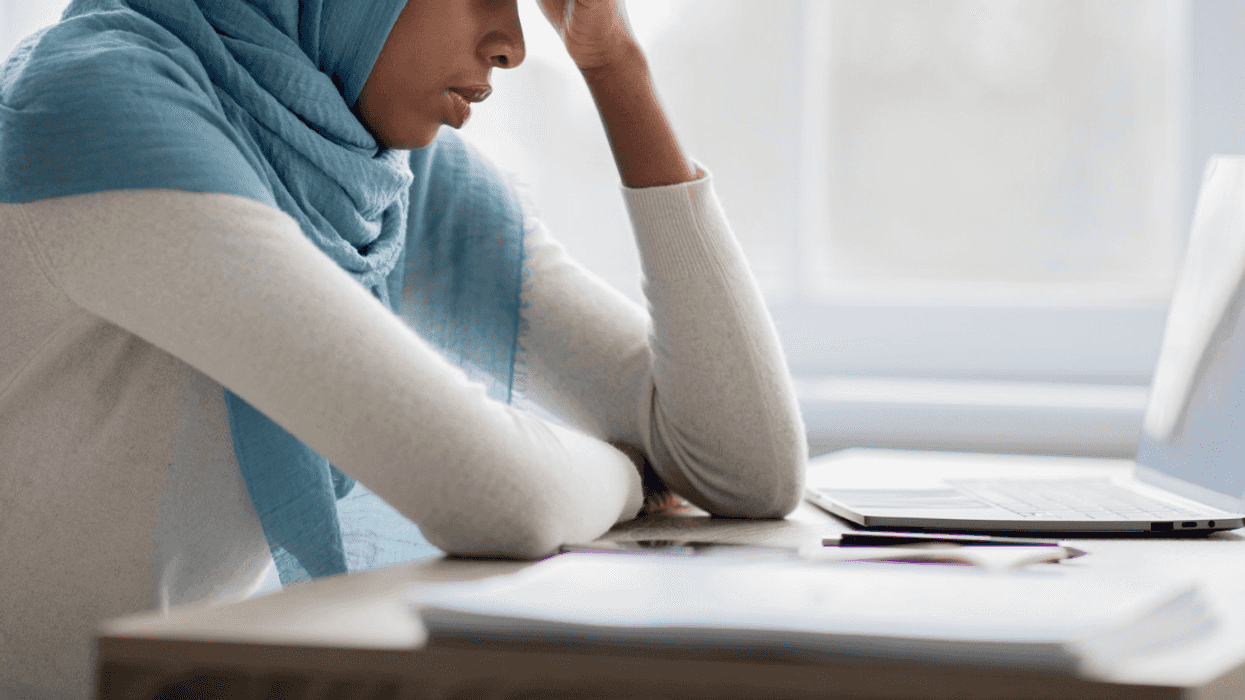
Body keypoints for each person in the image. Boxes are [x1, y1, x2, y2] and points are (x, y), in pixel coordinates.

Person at [0, 0, 806, 696]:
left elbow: (747, 465)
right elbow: (497, 498)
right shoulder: (93, 110)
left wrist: (614, 64)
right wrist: (633, 471)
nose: (512, 45)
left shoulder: (369, 170)